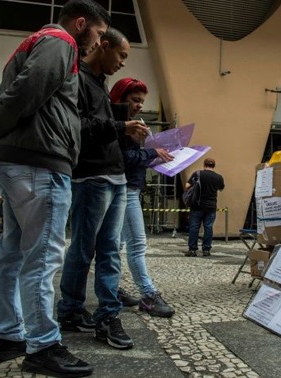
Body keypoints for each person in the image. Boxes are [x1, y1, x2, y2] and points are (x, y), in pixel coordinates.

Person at [0, 1, 109, 376]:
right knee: (42, 257)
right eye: (98, 34)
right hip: (41, 162)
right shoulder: (60, 43)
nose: (98, 43)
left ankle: (8, 335)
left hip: (20, 162)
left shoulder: (34, 43)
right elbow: (21, 95)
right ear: (81, 24)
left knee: (12, 253)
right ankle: (43, 345)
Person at [56, 28, 146, 351]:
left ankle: (105, 314)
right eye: (121, 55)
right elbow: (77, 128)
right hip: (91, 177)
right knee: (83, 248)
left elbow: (100, 129)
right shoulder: (77, 80)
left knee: (109, 250)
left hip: (115, 177)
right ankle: (70, 309)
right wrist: (122, 127)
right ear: (104, 46)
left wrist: (127, 131)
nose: (123, 63)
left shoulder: (99, 83)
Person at [108, 77, 176, 318]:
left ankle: (111, 289)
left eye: (142, 101)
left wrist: (153, 156)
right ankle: (148, 294)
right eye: (134, 100)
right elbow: (122, 158)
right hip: (125, 189)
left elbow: (131, 157)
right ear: (119, 98)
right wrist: (150, 152)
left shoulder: (128, 124)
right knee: (136, 243)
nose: (139, 105)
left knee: (118, 245)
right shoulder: (119, 126)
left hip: (128, 188)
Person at [185, 158, 225, 257]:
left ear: (204, 164)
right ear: (214, 166)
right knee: (208, 227)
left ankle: (192, 250)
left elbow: (187, 186)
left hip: (197, 206)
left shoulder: (197, 174)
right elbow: (221, 188)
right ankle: (206, 250)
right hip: (211, 206)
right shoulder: (219, 177)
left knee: (194, 228)